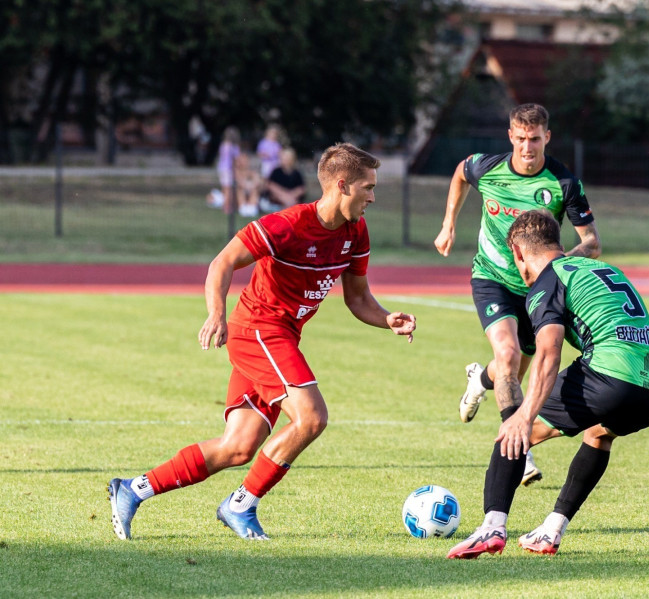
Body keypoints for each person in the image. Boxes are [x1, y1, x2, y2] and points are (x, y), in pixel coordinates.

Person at [108, 143, 417, 541]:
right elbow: (222, 262)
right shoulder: (287, 224)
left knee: (237, 447)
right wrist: (216, 314)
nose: (373, 196)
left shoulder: (356, 232)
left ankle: (133, 490)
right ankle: (241, 505)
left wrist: (386, 319)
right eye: (368, 187)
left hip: (280, 338)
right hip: (258, 330)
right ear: (342, 185)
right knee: (311, 417)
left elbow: (358, 299)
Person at [447, 210, 649, 559]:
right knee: (599, 434)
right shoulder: (605, 270)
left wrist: (523, 415)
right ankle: (551, 530)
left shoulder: (547, 282)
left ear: (518, 252)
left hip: (612, 374)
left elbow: (548, 352)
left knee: (514, 434)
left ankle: (491, 528)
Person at [433, 103, 601, 486]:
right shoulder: (488, 168)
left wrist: (554, 266)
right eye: (521, 138)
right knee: (507, 355)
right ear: (510, 136)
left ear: (547, 137)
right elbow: (460, 173)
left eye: (535, 139)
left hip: (536, 290)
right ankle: (520, 449)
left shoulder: (563, 183)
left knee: (510, 371)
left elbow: (592, 243)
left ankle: (480, 380)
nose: (528, 147)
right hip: (491, 277)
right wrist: (448, 224)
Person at [260, 147, 307, 212]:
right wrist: (284, 195)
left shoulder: (297, 173)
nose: (282, 159)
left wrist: (291, 195)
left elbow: (301, 188)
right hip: (278, 198)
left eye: (285, 158)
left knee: (291, 201)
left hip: (292, 198)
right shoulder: (276, 171)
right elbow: (270, 185)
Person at [208, 126, 241, 211]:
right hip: (228, 169)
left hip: (221, 168)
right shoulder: (233, 147)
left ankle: (226, 205)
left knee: (225, 188)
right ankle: (227, 206)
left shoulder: (223, 145)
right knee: (228, 189)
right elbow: (236, 159)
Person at [233, 152, 263, 218]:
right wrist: (247, 186)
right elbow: (239, 182)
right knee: (240, 189)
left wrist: (251, 186)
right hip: (240, 193)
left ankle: (252, 207)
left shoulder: (251, 172)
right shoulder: (236, 171)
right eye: (242, 159)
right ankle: (243, 208)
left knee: (255, 190)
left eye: (245, 159)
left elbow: (258, 181)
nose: (243, 162)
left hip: (250, 190)